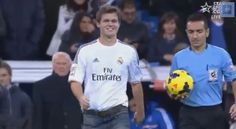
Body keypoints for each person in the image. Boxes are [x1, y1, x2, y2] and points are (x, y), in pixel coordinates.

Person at [69, 5, 145, 129]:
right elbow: (74, 81)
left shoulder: (129, 51)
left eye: (114, 21)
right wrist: (80, 97)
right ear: (98, 23)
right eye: (106, 20)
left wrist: (141, 111)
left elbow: (136, 84)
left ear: (119, 24)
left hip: (119, 113)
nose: (110, 24)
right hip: (92, 115)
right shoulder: (85, 50)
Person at [170, 13, 236, 129]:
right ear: (186, 33)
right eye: (191, 32)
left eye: (199, 31)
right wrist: (173, 93)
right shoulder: (178, 57)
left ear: (207, 32)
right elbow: (172, 85)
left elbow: (234, 79)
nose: (195, 36)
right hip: (188, 114)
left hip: (214, 112)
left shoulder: (221, 54)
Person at [33, 52, 82, 129]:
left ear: (70, 65)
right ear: (53, 65)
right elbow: (38, 116)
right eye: (58, 63)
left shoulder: (81, 85)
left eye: (64, 63)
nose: (61, 66)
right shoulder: (40, 86)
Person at [0, 59, 32, 129]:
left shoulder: (23, 98)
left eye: (4, 75)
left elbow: (28, 122)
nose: (1, 79)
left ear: (10, 76)